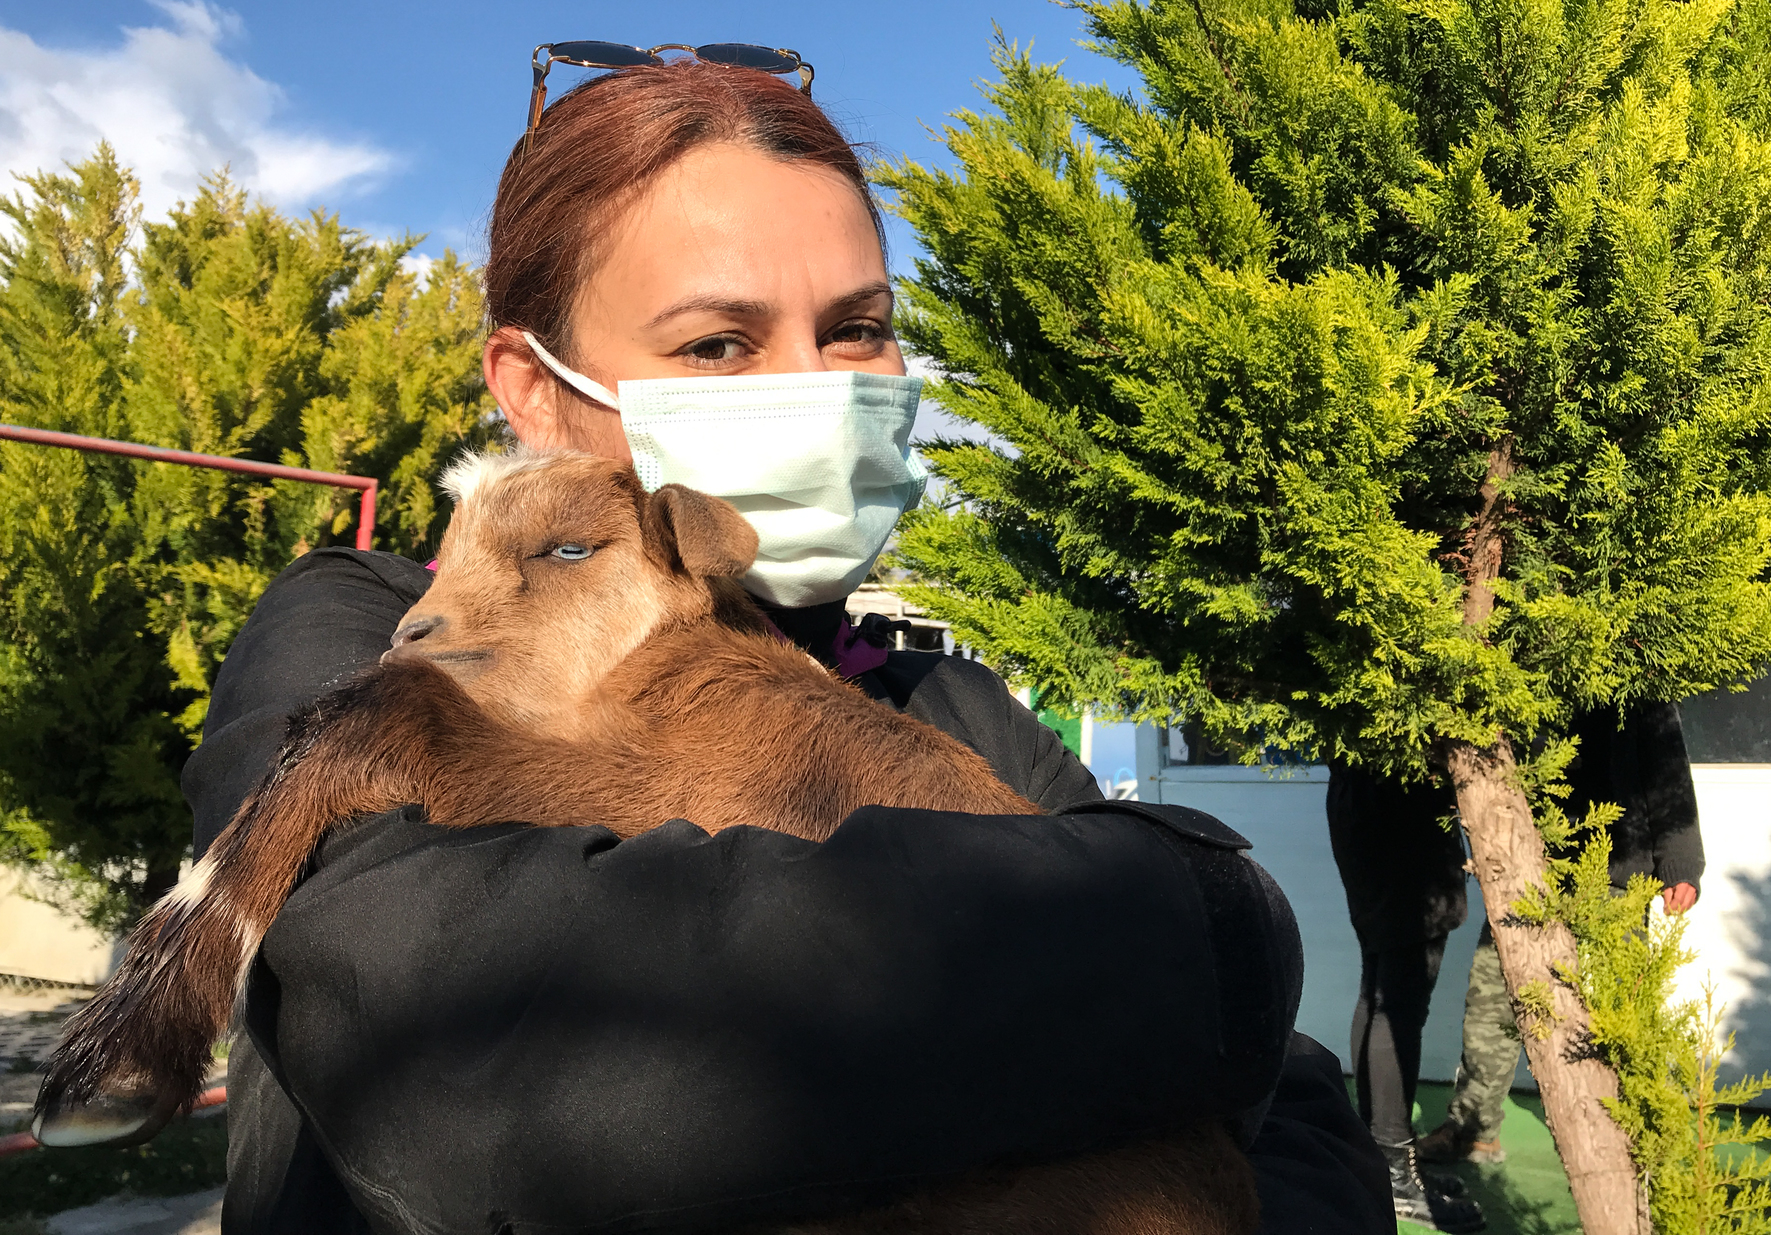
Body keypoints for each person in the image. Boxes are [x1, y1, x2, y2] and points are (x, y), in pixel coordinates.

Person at [183, 50, 1391, 1234]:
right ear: (532, 388)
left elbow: (1286, 1100)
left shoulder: (951, 703)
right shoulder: (366, 633)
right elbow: (479, 1074)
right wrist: (1202, 921)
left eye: (858, 326)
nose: (816, 384)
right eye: (717, 342)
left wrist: (1188, 965)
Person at [1417, 701, 1704, 1166]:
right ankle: (1473, 1128)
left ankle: (1640, 1139)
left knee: (1621, 1014)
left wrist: (1682, 862)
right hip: (1525, 869)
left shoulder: (1637, 671)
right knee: (1493, 1001)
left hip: (1616, 875)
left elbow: (1668, 765)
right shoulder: (1520, 657)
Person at [1326, 764, 1485, 1233]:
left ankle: (1378, 1157)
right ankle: (1393, 1175)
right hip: (1398, 814)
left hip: (1363, 806)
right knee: (1397, 1002)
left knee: (1379, 986)